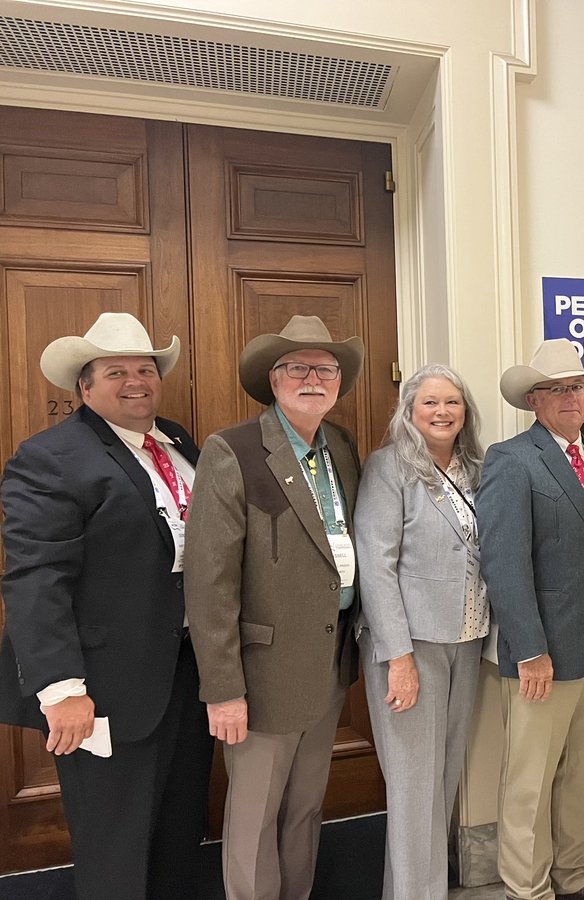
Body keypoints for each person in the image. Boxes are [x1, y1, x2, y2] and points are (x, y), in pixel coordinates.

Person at [0, 312, 212, 899]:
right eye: (115, 371)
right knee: (115, 845)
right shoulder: (52, 457)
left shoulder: (176, 441)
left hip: (185, 676)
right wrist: (62, 690)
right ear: (85, 388)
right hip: (104, 689)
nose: (135, 381)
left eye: (145, 369)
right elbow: (36, 578)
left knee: (178, 832)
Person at [185, 315, 364, 900]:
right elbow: (210, 582)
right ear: (273, 378)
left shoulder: (340, 445)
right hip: (259, 679)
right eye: (298, 367)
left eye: (325, 368)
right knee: (254, 818)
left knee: (305, 809)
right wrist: (223, 688)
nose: (313, 378)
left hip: (329, 666)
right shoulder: (231, 450)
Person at [477, 338, 584, 900]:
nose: (572, 397)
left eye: (578, 386)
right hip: (541, 656)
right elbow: (504, 561)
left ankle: (573, 881)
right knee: (528, 786)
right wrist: (530, 648)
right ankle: (527, 890)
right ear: (534, 400)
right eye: (558, 388)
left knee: (582, 779)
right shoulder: (511, 461)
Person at [355, 363, 488, 900]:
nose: (441, 412)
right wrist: (398, 657)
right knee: (413, 791)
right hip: (411, 647)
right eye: (429, 402)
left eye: (452, 402)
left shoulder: (476, 470)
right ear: (409, 412)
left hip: (469, 639)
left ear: (465, 412)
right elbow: (376, 563)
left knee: (443, 780)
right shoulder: (389, 469)